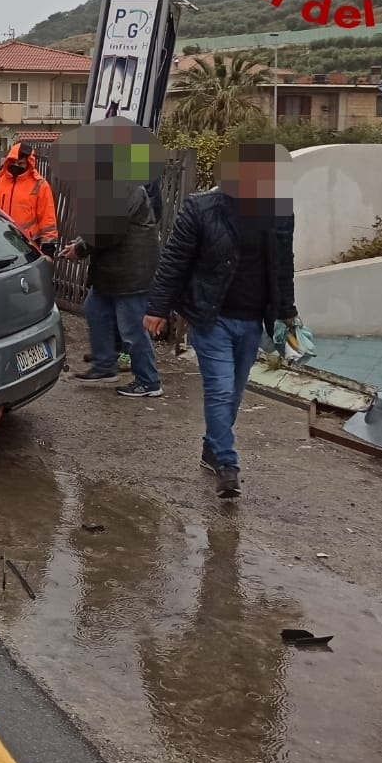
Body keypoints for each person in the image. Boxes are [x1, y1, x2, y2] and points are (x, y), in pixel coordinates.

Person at [145, 143, 297, 500]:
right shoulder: (201, 208)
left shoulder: (279, 213)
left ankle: (212, 449)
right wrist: (157, 308)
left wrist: (288, 312)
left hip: (252, 319)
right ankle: (227, 465)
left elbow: (283, 266)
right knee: (220, 388)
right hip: (210, 316)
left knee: (234, 392)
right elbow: (174, 261)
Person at [65, 175, 162, 399]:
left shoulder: (128, 187)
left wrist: (80, 249)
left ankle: (149, 381)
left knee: (132, 328)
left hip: (130, 272)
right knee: (94, 309)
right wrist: (80, 241)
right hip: (112, 271)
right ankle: (104, 366)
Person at [0, 142, 58, 252]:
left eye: (20, 163)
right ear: (8, 161)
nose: (16, 166)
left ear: (29, 163)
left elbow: (48, 220)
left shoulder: (40, 185)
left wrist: (48, 248)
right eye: (13, 162)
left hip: (27, 244)